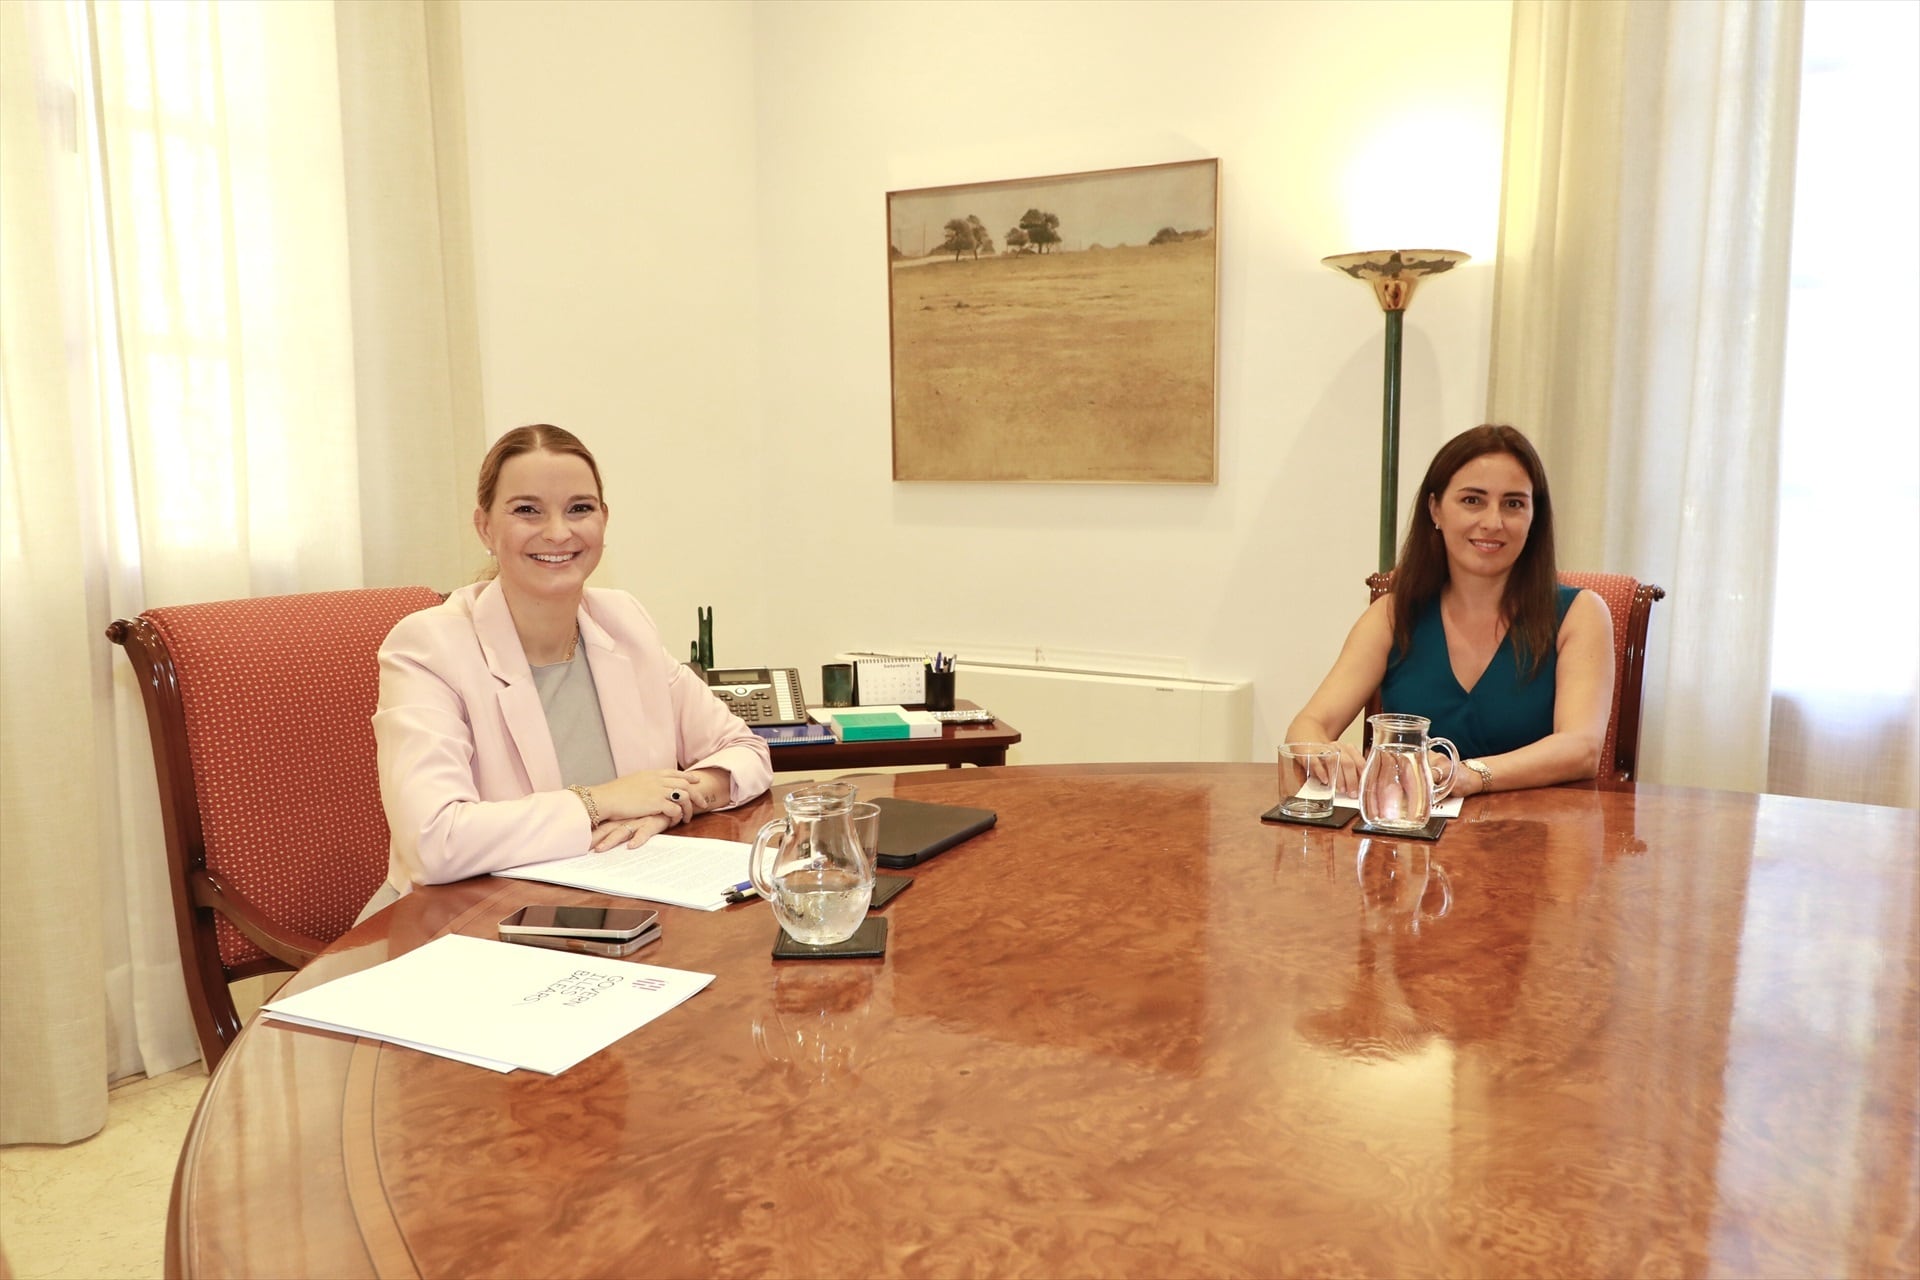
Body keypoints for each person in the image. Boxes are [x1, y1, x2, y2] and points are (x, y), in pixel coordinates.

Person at [360, 424, 772, 918]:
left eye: (579, 508)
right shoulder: (428, 646)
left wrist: (676, 797)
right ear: (485, 527)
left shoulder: (623, 622)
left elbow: (746, 752)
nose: (558, 532)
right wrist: (602, 802)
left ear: (604, 520)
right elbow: (434, 841)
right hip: (458, 924)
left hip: (607, 908)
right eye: (527, 510)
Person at [1285, 424, 1614, 798]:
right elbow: (1307, 725)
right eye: (1473, 500)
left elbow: (1581, 749)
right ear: (1435, 510)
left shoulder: (1580, 613)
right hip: (1412, 843)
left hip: (1536, 838)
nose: (1493, 522)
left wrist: (1470, 775)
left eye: (1513, 503)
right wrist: (1325, 752)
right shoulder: (1393, 614)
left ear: (1534, 517)